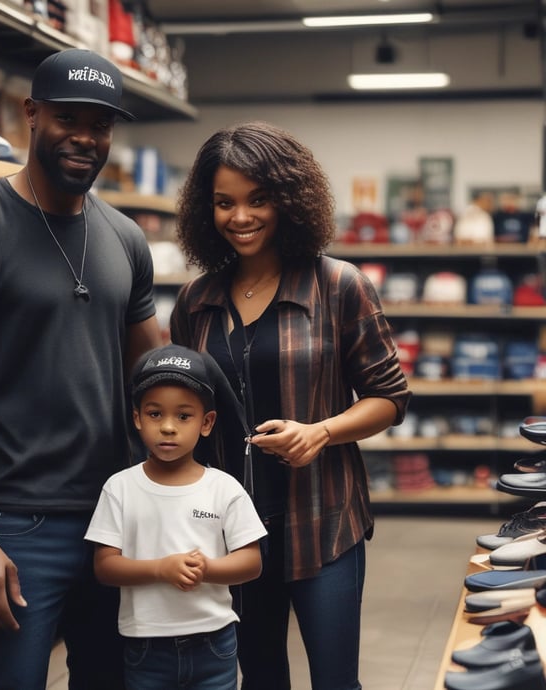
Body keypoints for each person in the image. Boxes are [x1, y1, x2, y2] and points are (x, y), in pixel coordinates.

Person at [0, 48, 162, 690]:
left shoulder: (126, 239)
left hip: (114, 516)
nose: (85, 138)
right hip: (14, 525)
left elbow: (151, 377)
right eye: (68, 119)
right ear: (31, 114)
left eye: (100, 125)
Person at [169, 121, 412, 690]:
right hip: (233, 533)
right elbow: (185, 412)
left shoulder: (339, 286)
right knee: (260, 678)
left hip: (324, 522)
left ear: (289, 198)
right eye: (224, 203)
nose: (241, 217)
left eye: (258, 199)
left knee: (335, 681)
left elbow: (390, 398)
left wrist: (320, 432)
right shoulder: (195, 302)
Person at [85, 343, 267, 690]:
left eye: (183, 416)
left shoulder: (223, 488)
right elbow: (105, 567)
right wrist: (161, 569)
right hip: (146, 646)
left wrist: (207, 569)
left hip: (214, 641)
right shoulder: (120, 488)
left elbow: (252, 562)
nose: (168, 427)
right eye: (155, 414)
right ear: (137, 418)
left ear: (206, 422)